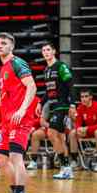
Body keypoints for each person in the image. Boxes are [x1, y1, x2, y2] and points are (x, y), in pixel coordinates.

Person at [0, 33, 38, 193]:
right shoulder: (3, 68)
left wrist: (23, 109)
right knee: (0, 159)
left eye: (4, 43)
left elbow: (31, 86)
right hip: (6, 123)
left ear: (11, 46)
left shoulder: (17, 63)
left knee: (16, 157)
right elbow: (4, 96)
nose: (0, 46)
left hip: (20, 120)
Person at [41, 42, 76, 179]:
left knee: (51, 133)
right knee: (60, 138)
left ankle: (65, 166)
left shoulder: (60, 66)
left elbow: (71, 85)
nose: (46, 52)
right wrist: (40, 103)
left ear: (54, 51)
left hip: (62, 106)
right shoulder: (46, 70)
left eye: (48, 49)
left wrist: (72, 104)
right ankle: (67, 169)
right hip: (53, 106)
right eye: (43, 50)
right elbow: (48, 90)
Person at [69, 89, 97, 172]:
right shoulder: (80, 107)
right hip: (87, 131)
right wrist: (78, 129)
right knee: (73, 133)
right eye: (82, 97)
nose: (83, 99)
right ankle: (74, 161)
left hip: (95, 131)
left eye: (86, 96)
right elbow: (77, 123)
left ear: (91, 97)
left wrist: (87, 128)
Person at [27, 102, 50, 170]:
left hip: (56, 128)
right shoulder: (43, 105)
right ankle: (33, 161)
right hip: (44, 127)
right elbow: (38, 120)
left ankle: (67, 162)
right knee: (35, 134)